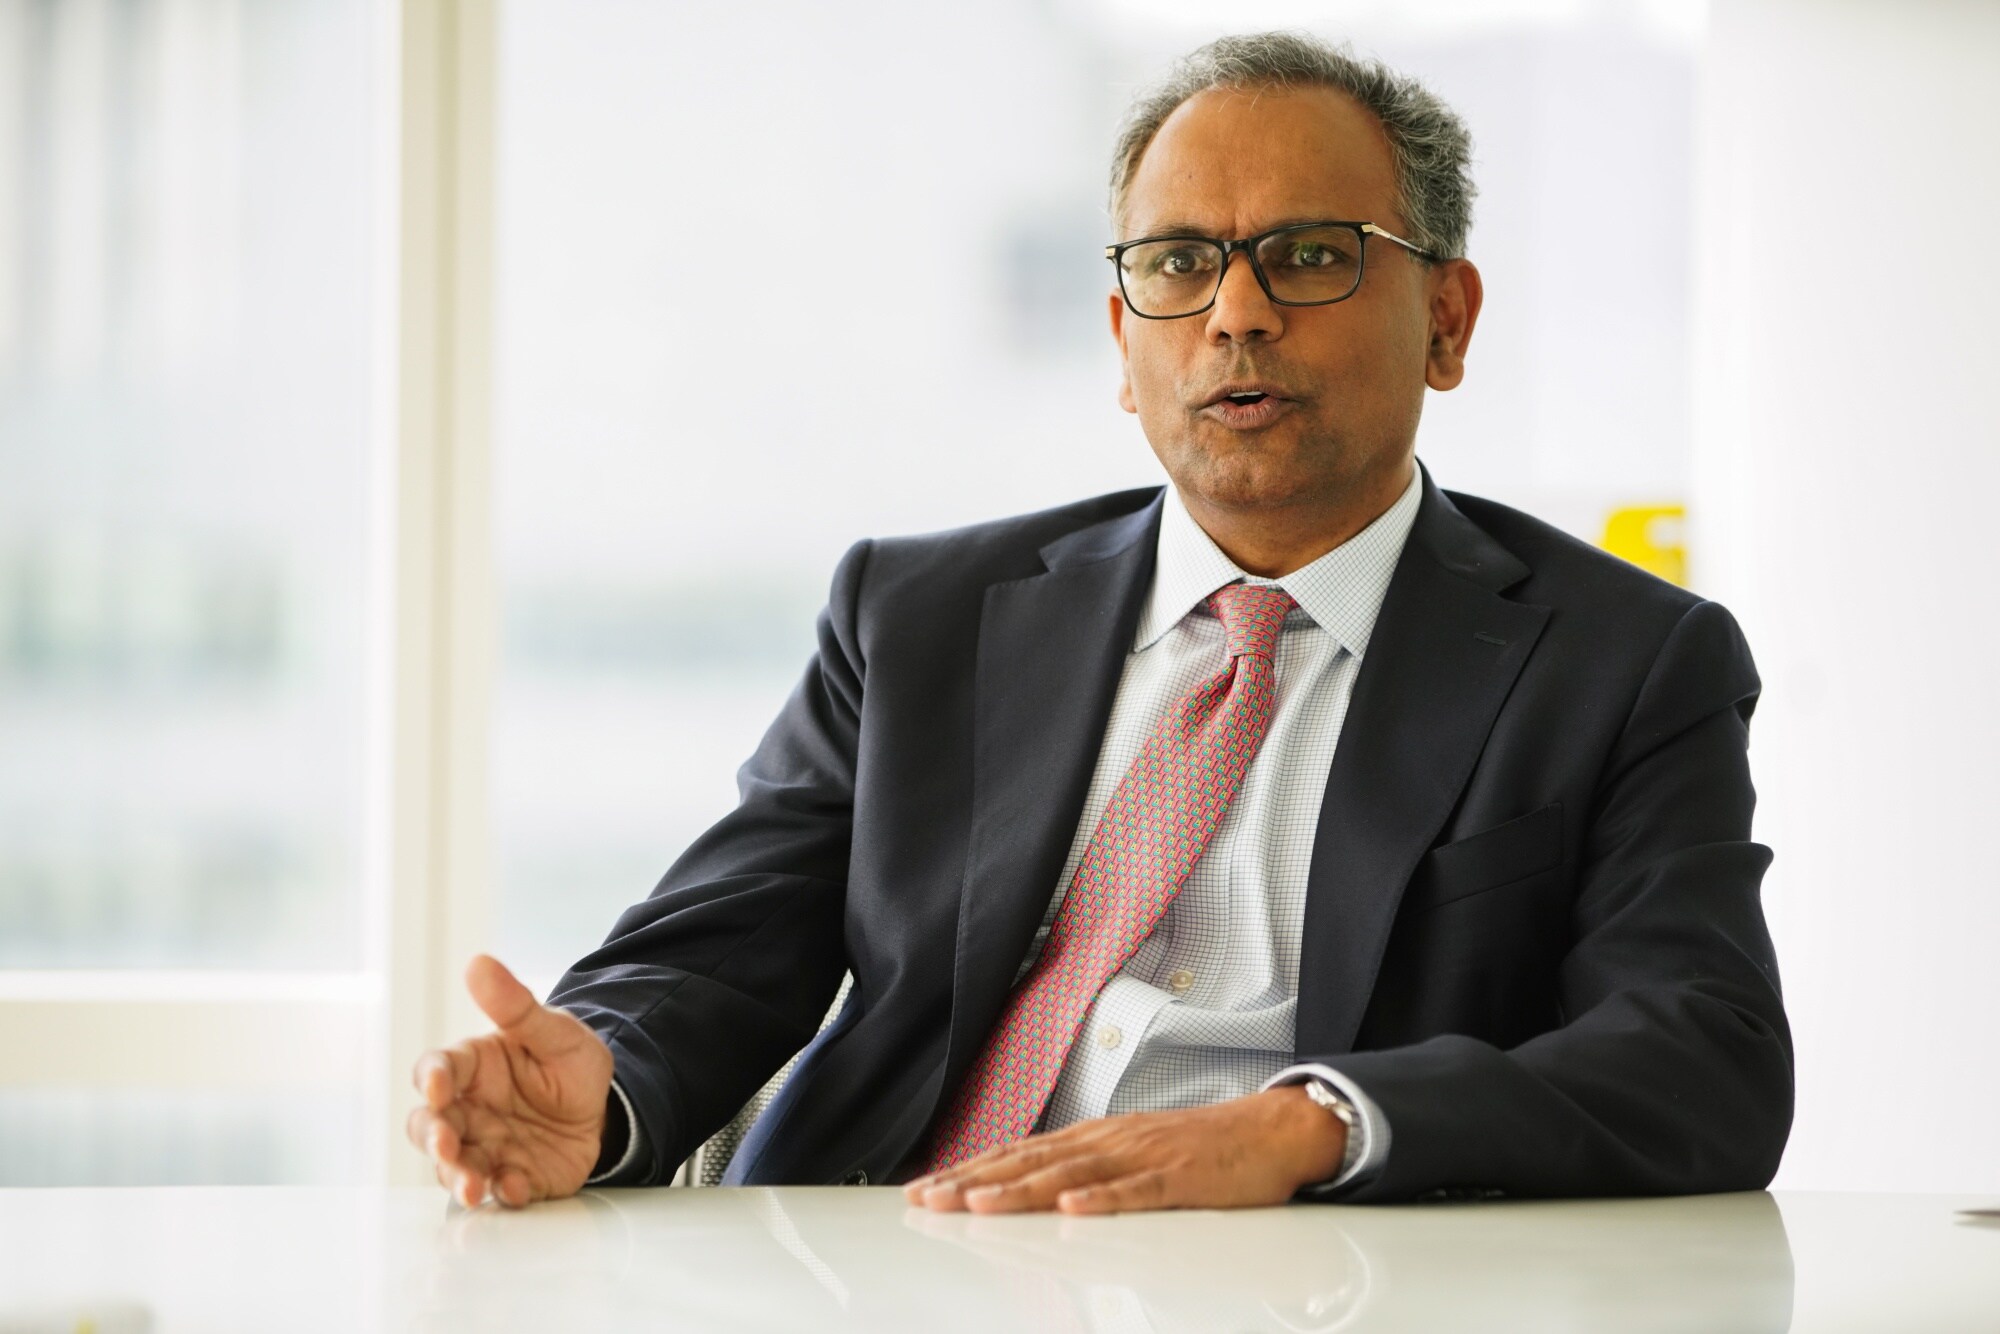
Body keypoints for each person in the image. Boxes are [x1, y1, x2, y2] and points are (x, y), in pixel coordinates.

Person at [408, 31, 1791, 1215]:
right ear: (1122, 342)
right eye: (1180, 262)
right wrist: (604, 1082)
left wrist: (1313, 1126)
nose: (1236, 314)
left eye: (1309, 256)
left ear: (1447, 316)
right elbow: (719, 948)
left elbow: (1701, 1055)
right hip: (887, 1258)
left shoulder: (1620, 661)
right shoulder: (919, 615)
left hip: (1301, 1280)